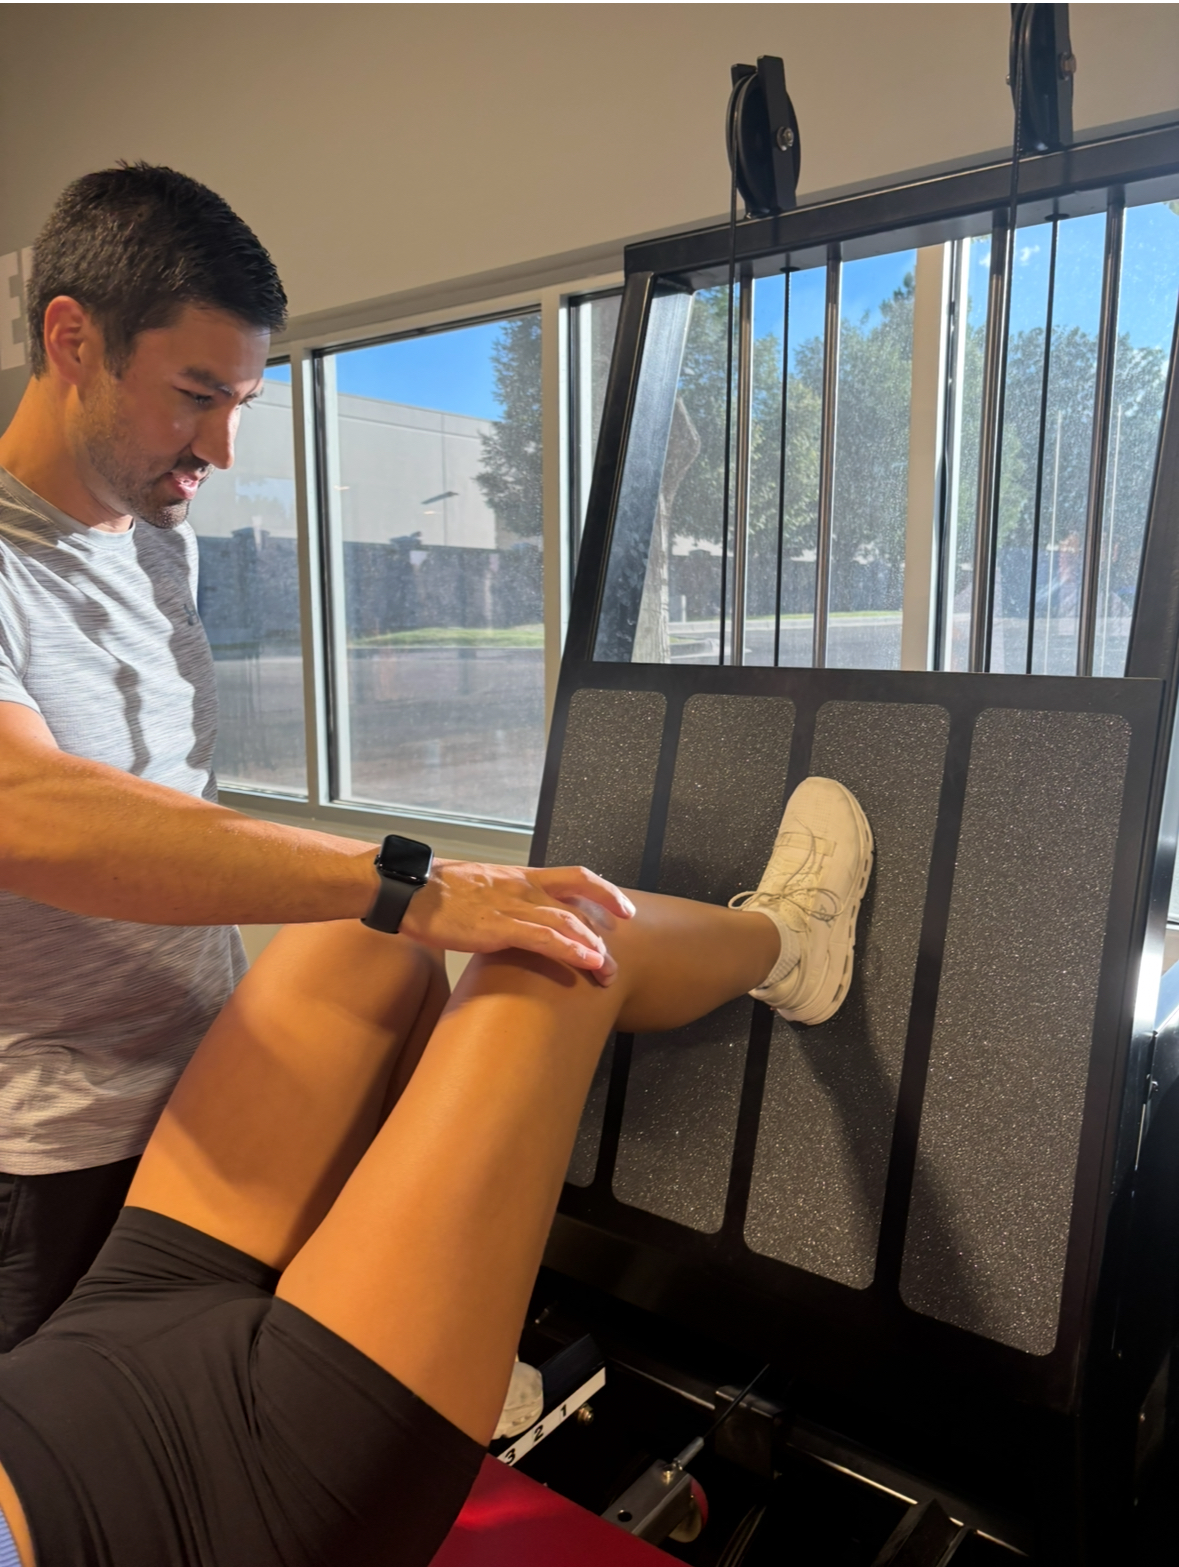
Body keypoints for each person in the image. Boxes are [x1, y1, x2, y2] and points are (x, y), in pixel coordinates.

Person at [0, 161, 619, 1348]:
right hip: (53, 1157)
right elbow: (32, 812)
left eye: (241, 400)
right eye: (194, 394)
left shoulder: (150, 545)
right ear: (71, 339)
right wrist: (405, 885)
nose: (223, 449)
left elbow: (170, 804)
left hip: (207, 1091)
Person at [0, 776, 872, 1567]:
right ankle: (795, 947)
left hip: (70, 1371)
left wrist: (387, 892)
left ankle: (452, 1324)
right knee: (563, 950)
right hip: (207, 1512)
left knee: (360, 932)